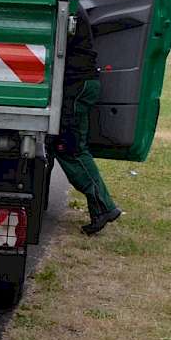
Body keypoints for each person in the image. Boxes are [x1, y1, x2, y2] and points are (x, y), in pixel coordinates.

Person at [56, 25, 122, 235]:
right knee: (72, 147)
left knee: (70, 148)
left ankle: (104, 207)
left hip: (77, 86)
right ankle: (102, 209)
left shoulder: (71, 9)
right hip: (83, 84)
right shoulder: (78, 10)